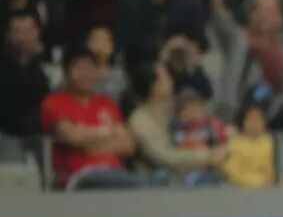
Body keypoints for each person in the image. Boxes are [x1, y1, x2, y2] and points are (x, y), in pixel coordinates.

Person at [41, 46, 143, 189]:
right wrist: (108, 132)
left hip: (116, 173)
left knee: (145, 182)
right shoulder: (54, 102)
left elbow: (128, 145)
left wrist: (87, 144)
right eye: (79, 68)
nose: (85, 74)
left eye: (89, 68)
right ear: (66, 72)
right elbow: (71, 137)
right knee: (144, 185)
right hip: (80, 177)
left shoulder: (107, 103)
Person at [127, 61, 227, 183]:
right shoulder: (139, 120)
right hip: (156, 181)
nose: (171, 80)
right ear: (154, 86)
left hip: (191, 174)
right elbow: (164, 157)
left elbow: (205, 117)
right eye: (166, 77)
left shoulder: (175, 106)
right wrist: (206, 157)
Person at [0, 14, 50, 143]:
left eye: (27, 32)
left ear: (37, 34)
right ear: (8, 35)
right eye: (16, 31)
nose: (22, 38)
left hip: (36, 137)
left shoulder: (39, 71)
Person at [223, 102, 277, 188]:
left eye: (258, 119)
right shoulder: (235, 144)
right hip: (241, 189)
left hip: (269, 189)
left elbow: (273, 170)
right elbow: (234, 174)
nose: (254, 123)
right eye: (251, 119)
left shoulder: (269, 142)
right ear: (244, 123)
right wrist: (260, 182)